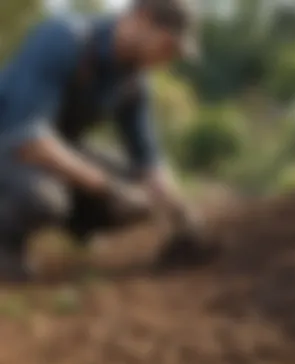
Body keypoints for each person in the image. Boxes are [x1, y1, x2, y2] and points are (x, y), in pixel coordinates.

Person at [0, 0, 200, 280]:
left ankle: (78, 223)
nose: (168, 59)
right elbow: (28, 138)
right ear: (142, 19)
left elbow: (148, 159)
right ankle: (5, 246)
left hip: (46, 149)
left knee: (139, 190)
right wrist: (107, 187)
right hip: (10, 139)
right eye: (168, 46)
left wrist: (181, 214)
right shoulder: (65, 38)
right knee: (43, 198)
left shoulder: (132, 80)